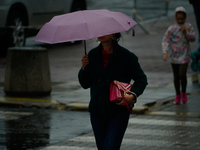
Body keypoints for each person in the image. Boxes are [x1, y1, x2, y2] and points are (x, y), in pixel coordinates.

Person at [78, 33, 147, 150]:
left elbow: (141, 79)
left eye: (105, 30)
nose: (101, 33)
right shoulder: (92, 55)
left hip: (118, 110)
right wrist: (83, 68)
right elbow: (85, 84)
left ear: (114, 33)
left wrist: (132, 95)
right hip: (97, 110)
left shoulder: (126, 56)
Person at [162, 6, 196, 105]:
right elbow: (166, 40)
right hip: (174, 56)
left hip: (184, 55)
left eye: (182, 19)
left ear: (185, 18)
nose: (180, 21)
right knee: (176, 76)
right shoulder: (172, 29)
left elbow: (193, 38)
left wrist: (186, 32)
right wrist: (165, 52)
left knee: (182, 74)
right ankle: (178, 94)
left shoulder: (188, 27)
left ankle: (184, 92)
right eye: (178, 19)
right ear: (175, 18)